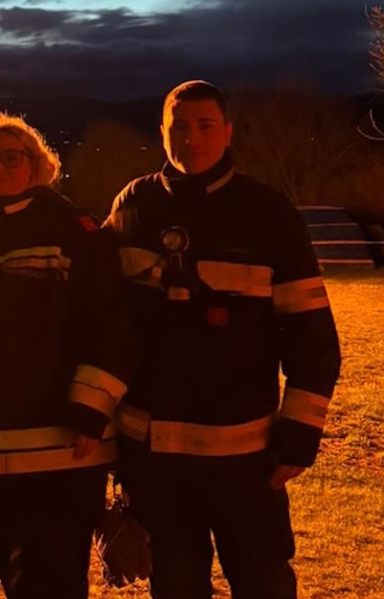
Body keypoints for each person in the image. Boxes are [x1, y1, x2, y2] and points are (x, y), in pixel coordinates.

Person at [107, 81, 341, 599]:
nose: (192, 138)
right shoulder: (132, 206)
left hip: (245, 459)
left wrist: (299, 436)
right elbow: (100, 315)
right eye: (179, 127)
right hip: (154, 458)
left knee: (262, 580)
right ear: (162, 133)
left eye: (205, 125)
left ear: (229, 131)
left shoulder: (269, 213)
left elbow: (314, 339)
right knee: (175, 583)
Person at [0, 113, 133, 599]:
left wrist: (90, 409)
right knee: (13, 575)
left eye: (11, 157)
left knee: (56, 581)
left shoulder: (72, 229)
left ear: (37, 165)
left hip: (61, 448)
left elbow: (111, 322)